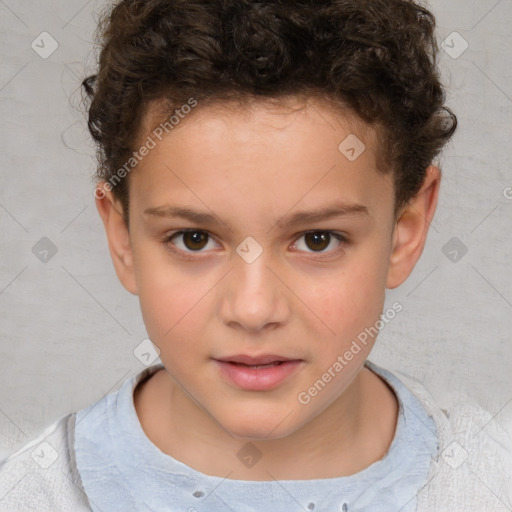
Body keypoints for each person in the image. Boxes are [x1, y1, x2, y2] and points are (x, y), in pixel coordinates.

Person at [1, 0, 510, 510]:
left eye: (317, 240)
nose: (253, 309)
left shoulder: (490, 485)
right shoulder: (29, 494)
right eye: (194, 239)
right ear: (122, 236)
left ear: (406, 228)